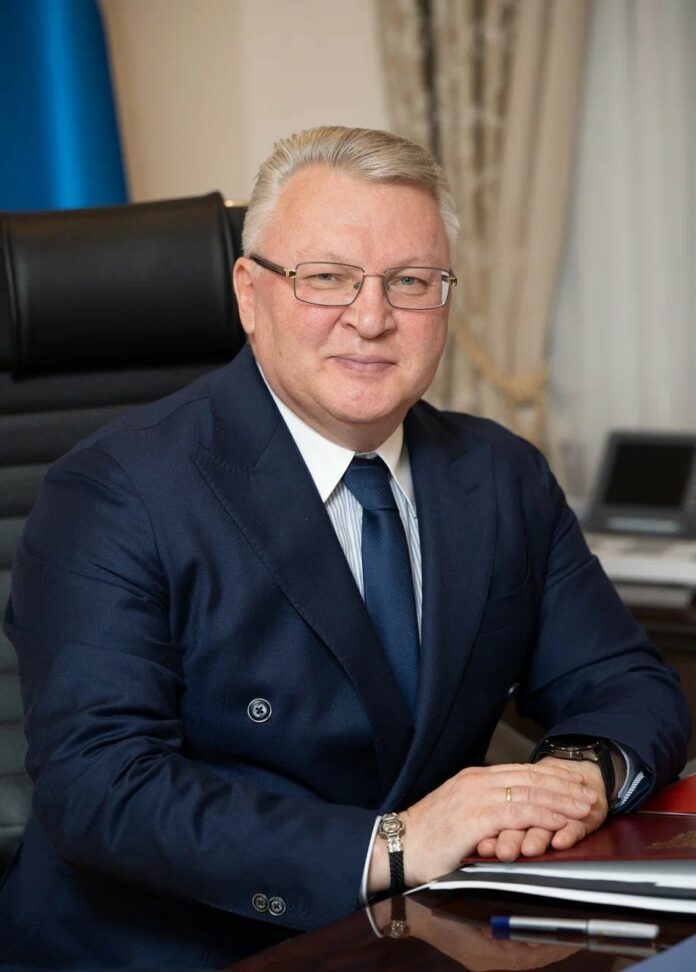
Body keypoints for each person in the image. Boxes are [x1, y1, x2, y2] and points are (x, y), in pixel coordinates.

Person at [0, 126, 689, 971]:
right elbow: (101, 787)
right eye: (326, 277)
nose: (371, 318)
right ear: (249, 293)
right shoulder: (115, 490)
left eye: (410, 281)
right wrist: (393, 845)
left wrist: (579, 773)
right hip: (184, 949)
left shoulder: (500, 474)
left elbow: (623, 681)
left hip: (420, 936)